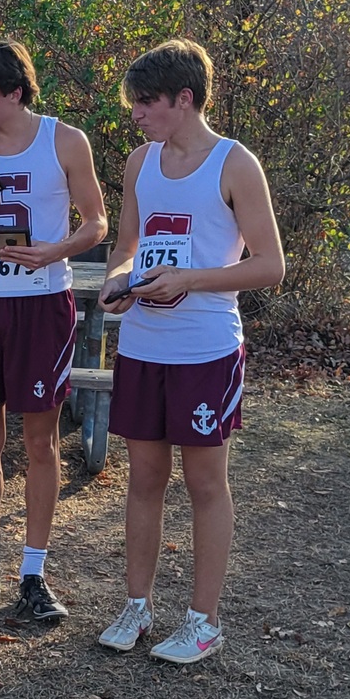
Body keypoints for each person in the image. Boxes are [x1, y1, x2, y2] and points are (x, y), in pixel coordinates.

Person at [96, 38, 283, 663]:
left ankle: (203, 620)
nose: (138, 114)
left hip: (205, 349)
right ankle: (137, 607)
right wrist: (118, 281)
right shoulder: (138, 163)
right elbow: (125, 243)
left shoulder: (234, 164)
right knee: (144, 478)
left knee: (205, 482)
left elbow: (270, 266)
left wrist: (191, 280)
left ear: (186, 98)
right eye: (134, 104)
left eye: (147, 103)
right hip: (143, 345)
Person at [0, 39, 107, 621]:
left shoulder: (64, 140)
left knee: (39, 443)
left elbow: (98, 222)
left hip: (41, 306)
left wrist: (54, 250)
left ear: (14, 91)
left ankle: (34, 573)